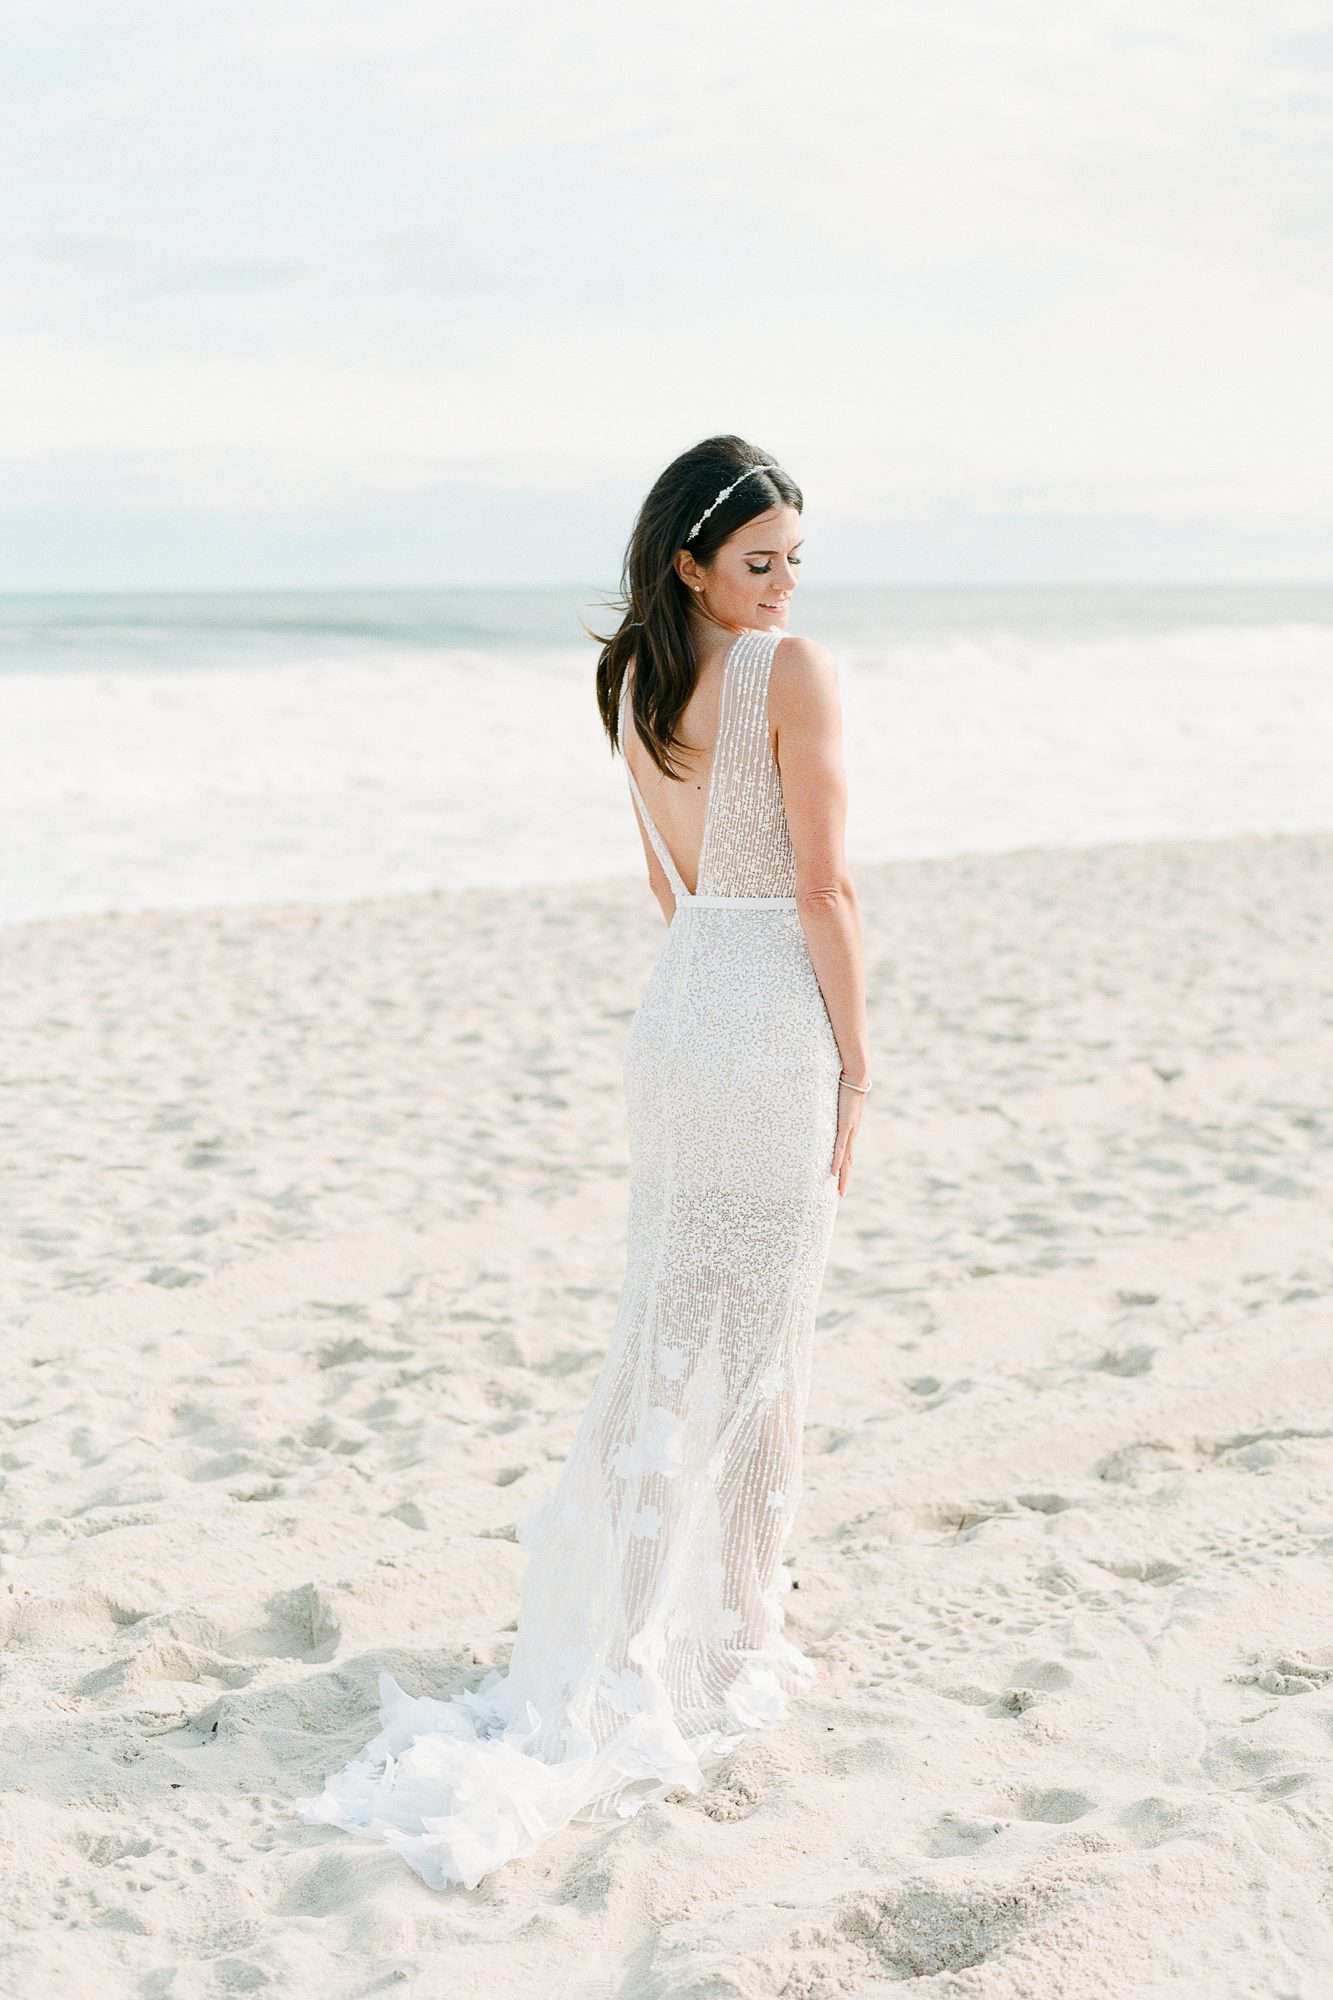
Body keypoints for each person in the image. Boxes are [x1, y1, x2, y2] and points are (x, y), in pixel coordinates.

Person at [292, 436, 870, 1891]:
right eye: (756, 564)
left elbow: (663, 881)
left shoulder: (622, 682)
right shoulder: (789, 677)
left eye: (795, 560)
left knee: (670, 1322)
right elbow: (818, 886)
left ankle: (635, 1624)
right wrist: (858, 1063)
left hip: (678, 1005)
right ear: (688, 560)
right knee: (758, 1334)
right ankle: (726, 1634)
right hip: (762, 1012)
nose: (783, 588)